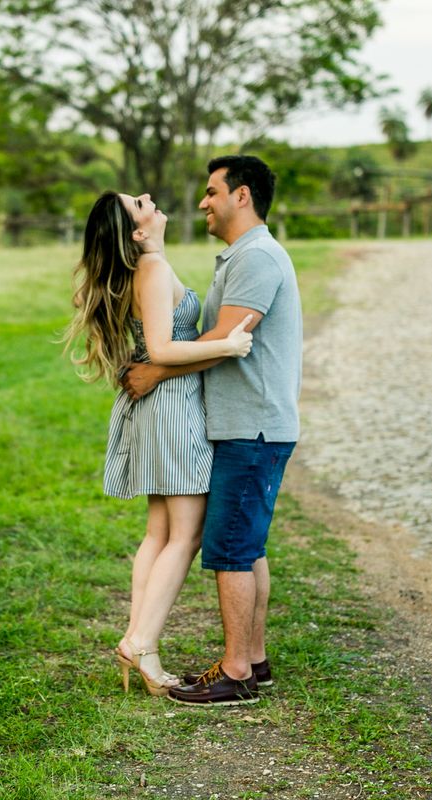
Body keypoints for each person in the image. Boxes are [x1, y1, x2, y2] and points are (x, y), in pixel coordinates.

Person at [122, 155, 302, 706]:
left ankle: (237, 672)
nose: (203, 202)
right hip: (242, 424)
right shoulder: (239, 258)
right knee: (248, 548)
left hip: (253, 426)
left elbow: (226, 338)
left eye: (211, 191)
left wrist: (157, 368)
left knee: (228, 548)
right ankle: (256, 659)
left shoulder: (257, 259)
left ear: (240, 196)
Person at [64, 190, 254, 697]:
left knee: (158, 532)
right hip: (171, 405)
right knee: (185, 536)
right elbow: (165, 348)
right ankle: (140, 640)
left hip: (155, 406)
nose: (150, 198)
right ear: (138, 232)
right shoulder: (148, 269)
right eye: (139, 203)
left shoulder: (144, 267)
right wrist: (229, 344)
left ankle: (143, 647)